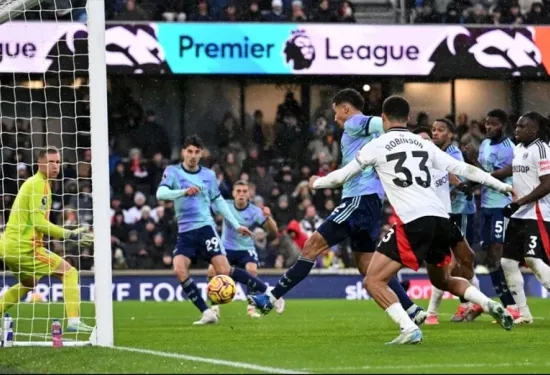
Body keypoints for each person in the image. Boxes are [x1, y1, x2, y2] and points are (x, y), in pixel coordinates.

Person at [308, 96, 514, 344]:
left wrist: (316, 182)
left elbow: (342, 176)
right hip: (442, 220)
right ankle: (488, 303)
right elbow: (465, 170)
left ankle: (409, 328)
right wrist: (500, 185)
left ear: (383, 118)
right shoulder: (424, 144)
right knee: (444, 280)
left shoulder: (378, 144)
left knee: (373, 280)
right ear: (407, 119)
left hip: (415, 221)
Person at [248, 89, 425, 322]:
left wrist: (411, 137)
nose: (335, 119)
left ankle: (271, 298)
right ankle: (412, 310)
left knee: (311, 246)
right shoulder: (366, 134)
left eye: (335, 113)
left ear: (345, 108)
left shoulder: (355, 122)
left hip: (358, 201)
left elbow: (384, 124)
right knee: (368, 267)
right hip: (371, 202)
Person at [156, 135, 283, 325]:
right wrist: (183, 192)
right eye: (189, 151)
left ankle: (271, 294)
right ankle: (207, 313)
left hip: (205, 228)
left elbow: (219, 202)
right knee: (179, 269)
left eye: (196, 152)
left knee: (223, 270)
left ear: (201, 154)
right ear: (183, 152)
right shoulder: (173, 172)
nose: (192, 156)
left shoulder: (208, 175)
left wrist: (236, 224)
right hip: (185, 232)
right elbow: (161, 193)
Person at [0, 147, 94, 332]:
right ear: (39, 163)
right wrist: (69, 234)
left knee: (30, 283)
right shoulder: (39, 184)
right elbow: (38, 222)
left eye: (58, 162)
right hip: (25, 248)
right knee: (69, 272)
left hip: (7, 247)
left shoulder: (35, 183)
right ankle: (74, 321)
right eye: (51, 162)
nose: (55, 166)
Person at [412, 125, 482, 325]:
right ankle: (468, 302)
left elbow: (449, 173)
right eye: (428, 134)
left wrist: (460, 185)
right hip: (435, 217)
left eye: (435, 132)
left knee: (461, 259)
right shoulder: (420, 161)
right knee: (451, 262)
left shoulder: (443, 155)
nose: (432, 136)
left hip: (452, 214)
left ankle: (463, 304)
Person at [466, 109, 518, 321]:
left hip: (502, 206)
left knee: (497, 257)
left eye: (493, 124)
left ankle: (512, 306)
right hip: (485, 207)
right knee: (489, 259)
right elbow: (480, 178)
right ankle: (507, 305)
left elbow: (492, 177)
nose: (488, 128)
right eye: (486, 124)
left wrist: (472, 161)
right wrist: (466, 186)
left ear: (503, 124)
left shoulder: (509, 149)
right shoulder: (485, 145)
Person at [501, 112, 550, 324]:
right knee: (507, 262)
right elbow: (511, 170)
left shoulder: (541, 149)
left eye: (521, 127)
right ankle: (524, 314)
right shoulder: (519, 148)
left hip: (537, 212)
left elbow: (548, 183)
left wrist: (520, 202)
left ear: (534, 130)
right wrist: (480, 180)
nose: (516, 130)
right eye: (517, 126)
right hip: (519, 213)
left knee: (532, 258)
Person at [207, 180, 279, 318]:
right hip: (226, 247)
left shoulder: (255, 211)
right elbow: (207, 207)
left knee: (252, 269)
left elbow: (274, 232)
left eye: (244, 191)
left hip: (246, 248)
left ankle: (251, 308)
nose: (241, 194)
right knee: (211, 270)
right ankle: (214, 307)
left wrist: (268, 218)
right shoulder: (225, 205)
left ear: (249, 194)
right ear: (233, 193)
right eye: (238, 191)